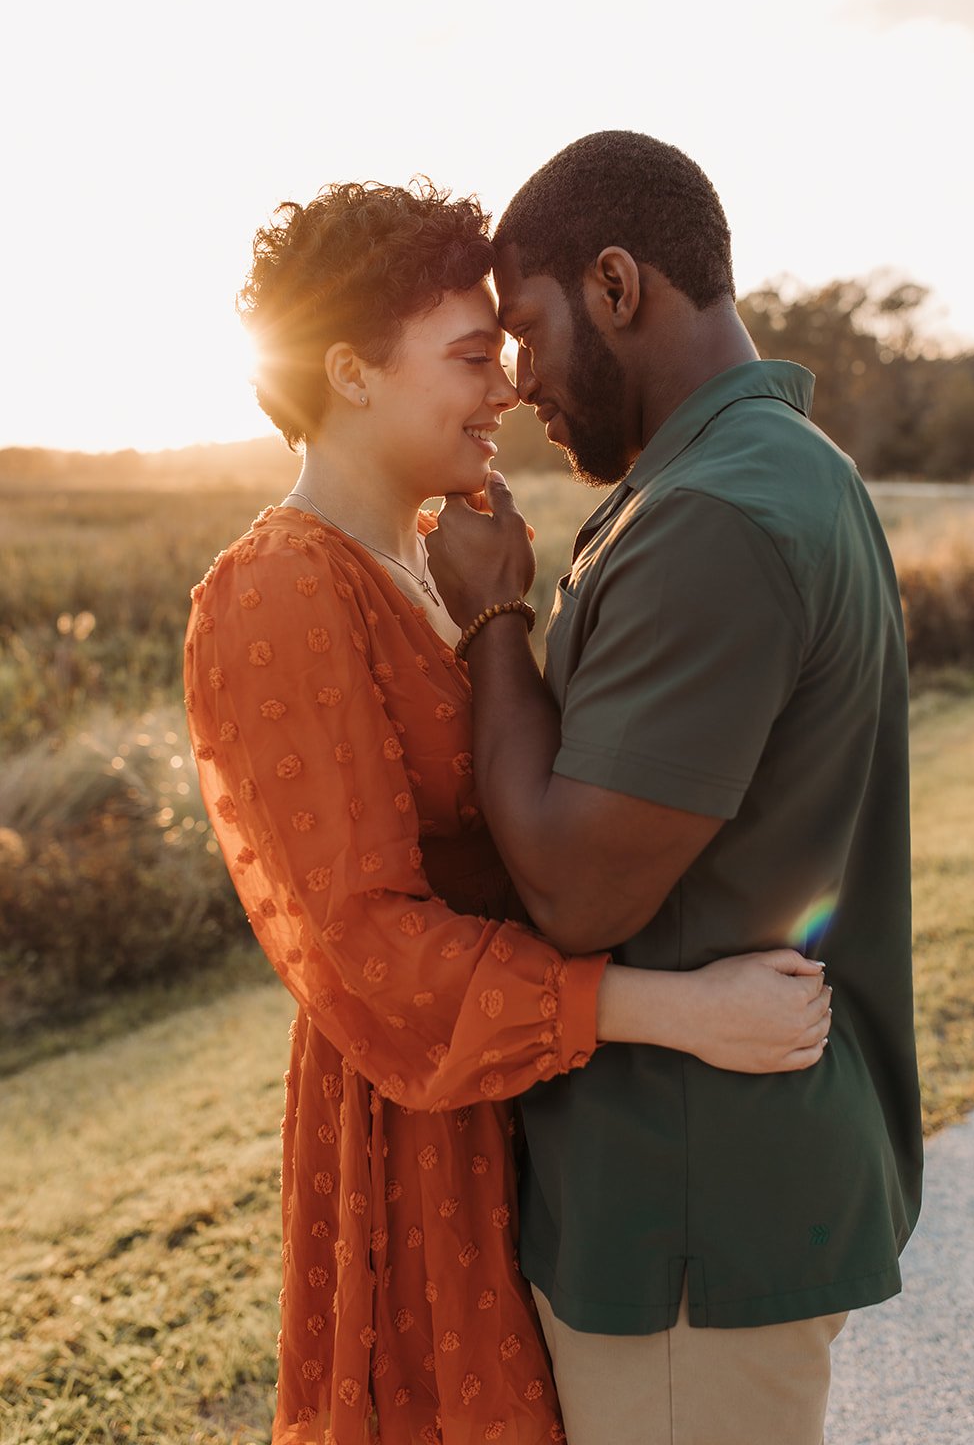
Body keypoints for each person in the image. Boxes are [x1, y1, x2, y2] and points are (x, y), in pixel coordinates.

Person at [183, 179, 832, 1445]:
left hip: (533, 1105)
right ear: (350, 374)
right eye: (474, 355)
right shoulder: (276, 592)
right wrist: (675, 1011)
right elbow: (360, 946)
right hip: (417, 1126)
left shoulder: (443, 561)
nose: (509, 388)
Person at [425, 132, 924, 1445]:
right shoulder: (764, 476)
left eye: (522, 332)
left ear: (613, 284)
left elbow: (575, 886)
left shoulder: (712, 515)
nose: (519, 383)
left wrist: (491, 621)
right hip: (712, 1186)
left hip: (685, 1216)